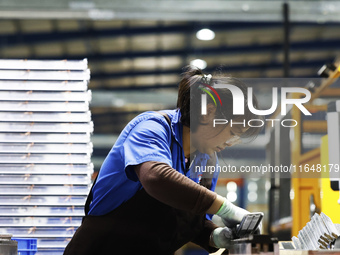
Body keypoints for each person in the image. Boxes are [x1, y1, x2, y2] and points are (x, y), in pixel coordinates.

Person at [63, 66, 263, 255]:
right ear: (209, 112)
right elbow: (156, 177)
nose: (231, 143)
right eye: (233, 132)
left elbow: (192, 222)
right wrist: (225, 207)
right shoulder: (152, 129)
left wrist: (217, 236)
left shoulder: (207, 161)